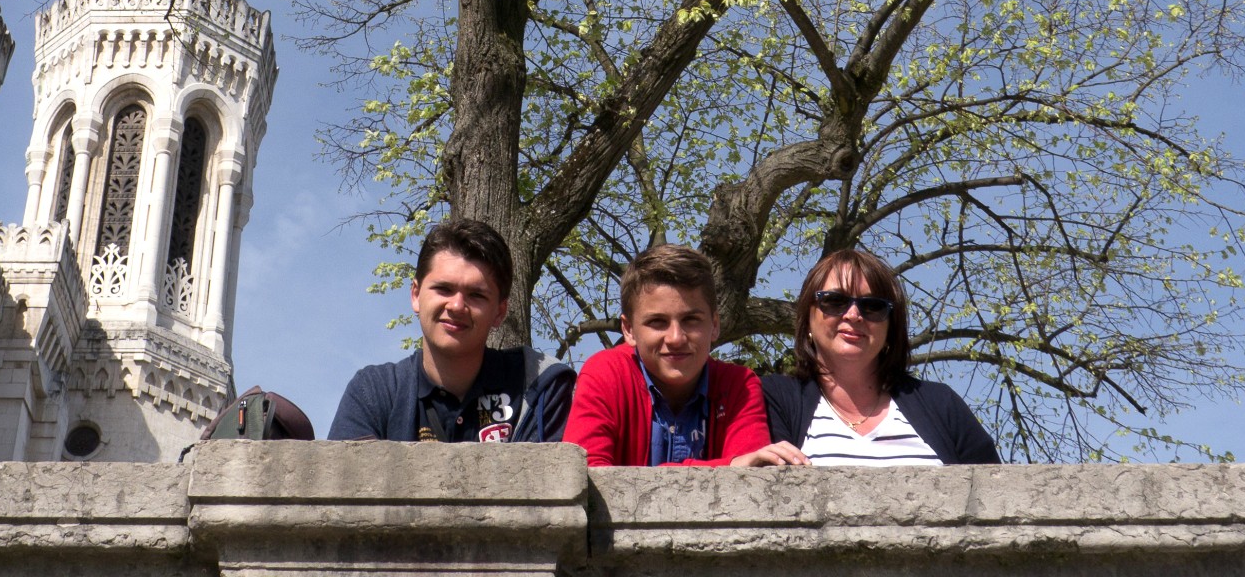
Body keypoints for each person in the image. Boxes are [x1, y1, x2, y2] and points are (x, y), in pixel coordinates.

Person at [740, 247, 1000, 466]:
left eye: (873, 306)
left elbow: (995, 494)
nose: (853, 315)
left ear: (891, 327)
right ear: (807, 317)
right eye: (835, 301)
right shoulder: (771, 399)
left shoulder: (942, 405)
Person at [327, 218, 572, 443]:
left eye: (476, 295)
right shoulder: (373, 392)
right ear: (416, 295)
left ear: (499, 312)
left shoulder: (540, 387)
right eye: (443, 289)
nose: (456, 306)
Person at [563, 244, 774, 467]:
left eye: (691, 320)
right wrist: (728, 466)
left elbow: (750, 478)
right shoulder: (606, 374)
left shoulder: (739, 386)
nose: (676, 338)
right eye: (657, 322)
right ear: (629, 330)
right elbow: (585, 476)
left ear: (714, 325)